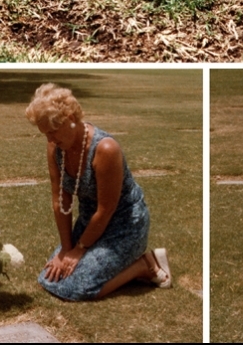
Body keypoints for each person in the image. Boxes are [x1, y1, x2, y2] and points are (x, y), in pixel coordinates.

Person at [25, 83, 171, 300]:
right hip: (90, 224)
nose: (49, 139)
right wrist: (66, 249)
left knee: (77, 288)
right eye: (45, 134)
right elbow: (60, 201)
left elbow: (106, 209)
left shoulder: (106, 149)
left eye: (53, 132)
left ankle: (144, 264)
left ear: (71, 119)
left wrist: (80, 249)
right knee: (50, 278)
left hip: (124, 226)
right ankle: (122, 266)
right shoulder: (56, 147)